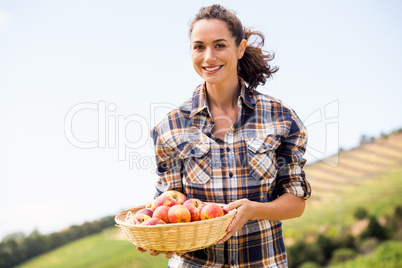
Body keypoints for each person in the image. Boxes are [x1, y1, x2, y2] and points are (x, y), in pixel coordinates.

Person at [139, 4, 312, 267]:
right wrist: (155, 234)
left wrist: (254, 210)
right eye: (199, 46)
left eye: (219, 45)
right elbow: (167, 201)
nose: (208, 57)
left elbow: (296, 202)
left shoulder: (280, 117)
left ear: (240, 48)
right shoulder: (170, 127)